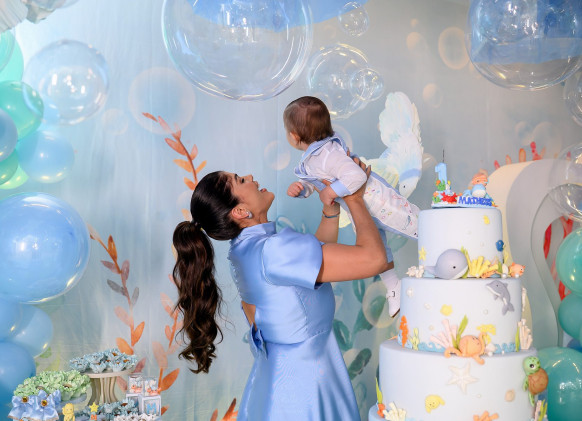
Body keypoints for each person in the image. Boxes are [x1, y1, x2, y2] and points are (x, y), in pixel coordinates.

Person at [172, 160, 389, 420]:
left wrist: (330, 210)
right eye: (241, 179)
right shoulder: (273, 250)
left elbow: (315, 263)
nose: (250, 176)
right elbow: (375, 260)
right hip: (305, 386)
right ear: (240, 211)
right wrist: (355, 198)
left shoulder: (243, 250)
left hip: (277, 379)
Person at [284, 96, 420, 317]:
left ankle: (447, 242)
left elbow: (356, 175)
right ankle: (394, 287)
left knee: (415, 225)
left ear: (294, 136)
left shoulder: (328, 153)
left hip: (378, 201)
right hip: (361, 211)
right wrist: (302, 189)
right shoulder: (313, 158)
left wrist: (330, 192)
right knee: (379, 249)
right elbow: (317, 182)